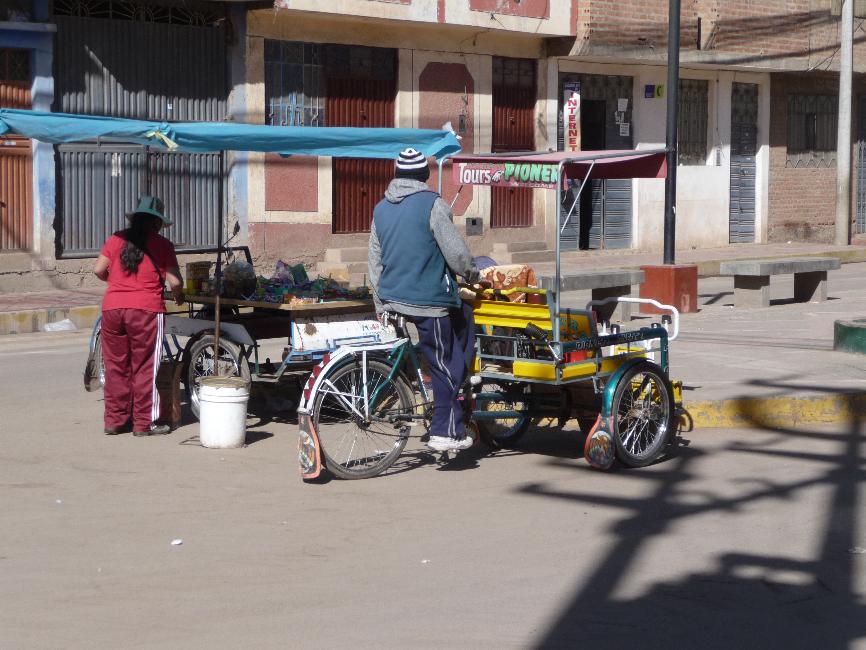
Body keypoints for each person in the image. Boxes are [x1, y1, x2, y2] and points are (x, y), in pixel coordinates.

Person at [368, 148, 482, 453]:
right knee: (447, 364)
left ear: (396, 175)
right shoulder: (433, 205)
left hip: (392, 299)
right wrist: (473, 274)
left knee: (454, 337)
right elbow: (456, 253)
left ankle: (457, 404)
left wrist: (380, 304)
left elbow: (374, 262)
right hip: (428, 301)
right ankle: (444, 431)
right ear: (424, 176)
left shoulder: (380, 209)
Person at [93, 196, 185, 437]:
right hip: (146, 311)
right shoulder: (163, 245)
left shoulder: (116, 239)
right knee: (145, 367)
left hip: (112, 309)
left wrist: (115, 283)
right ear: (156, 223)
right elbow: (175, 281)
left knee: (116, 367)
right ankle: (145, 423)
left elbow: (98, 270)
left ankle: (115, 421)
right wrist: (178, 294)